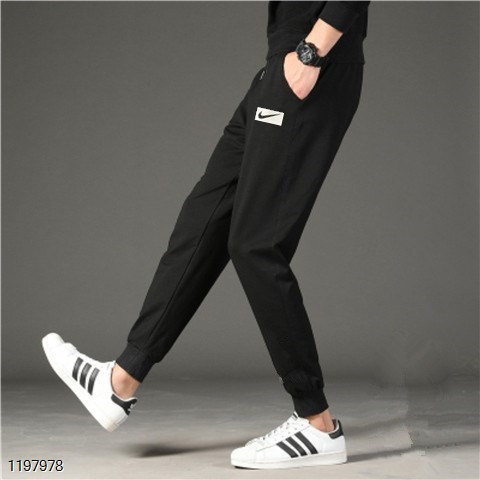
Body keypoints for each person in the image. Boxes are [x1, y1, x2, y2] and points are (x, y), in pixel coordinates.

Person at [42, 0, 370, 470]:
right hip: (281, 64)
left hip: (310, 63)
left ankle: (317, 422)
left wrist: (310, 54)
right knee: (204, 219)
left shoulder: (310, 58)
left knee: (256, 244)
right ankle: (119, 381)